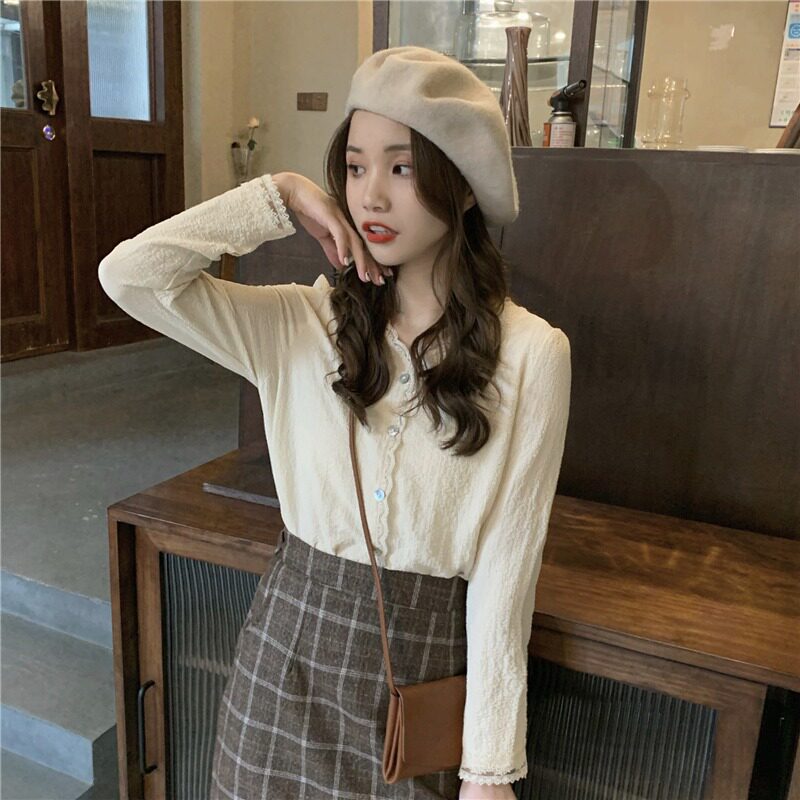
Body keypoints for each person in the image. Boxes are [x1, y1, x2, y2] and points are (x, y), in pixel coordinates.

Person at [98, 46, 571, 800]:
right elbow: (128, 276)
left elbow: (506, 570)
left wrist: (488, 768)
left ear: (461, 184)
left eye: (402, 167)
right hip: (283, 663)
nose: (370, 195)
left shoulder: (532, 354)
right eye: (354, 167)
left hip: (418, 679)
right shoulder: (302, 323)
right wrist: (278, 195)